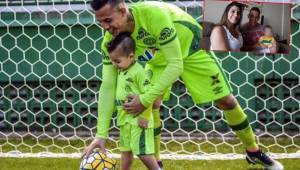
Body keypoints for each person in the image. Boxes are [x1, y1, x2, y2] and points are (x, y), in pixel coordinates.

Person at [82, 0, 284, 169]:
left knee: (226, 102)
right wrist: (101, 135)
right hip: (158, 58)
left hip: (190, 49)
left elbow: (176, 64)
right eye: (100, 22)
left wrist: (144, 98)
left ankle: (253, 150)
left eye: (108, 20)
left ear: (123, 10)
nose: (106, 27)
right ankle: (158, 163)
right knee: (152, 104)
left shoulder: (154, 15)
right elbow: (108, 85)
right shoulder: (109, 41)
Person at [105, 32, 160, 170]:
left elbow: (149, 94)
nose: (114, 65)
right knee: (125, 151)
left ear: (131, 56)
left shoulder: (139, 72)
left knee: (143, 152)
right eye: (112, 61)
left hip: (138, 121)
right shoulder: (121, 70)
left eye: (117, 61)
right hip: (124, 120)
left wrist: (145, 116)